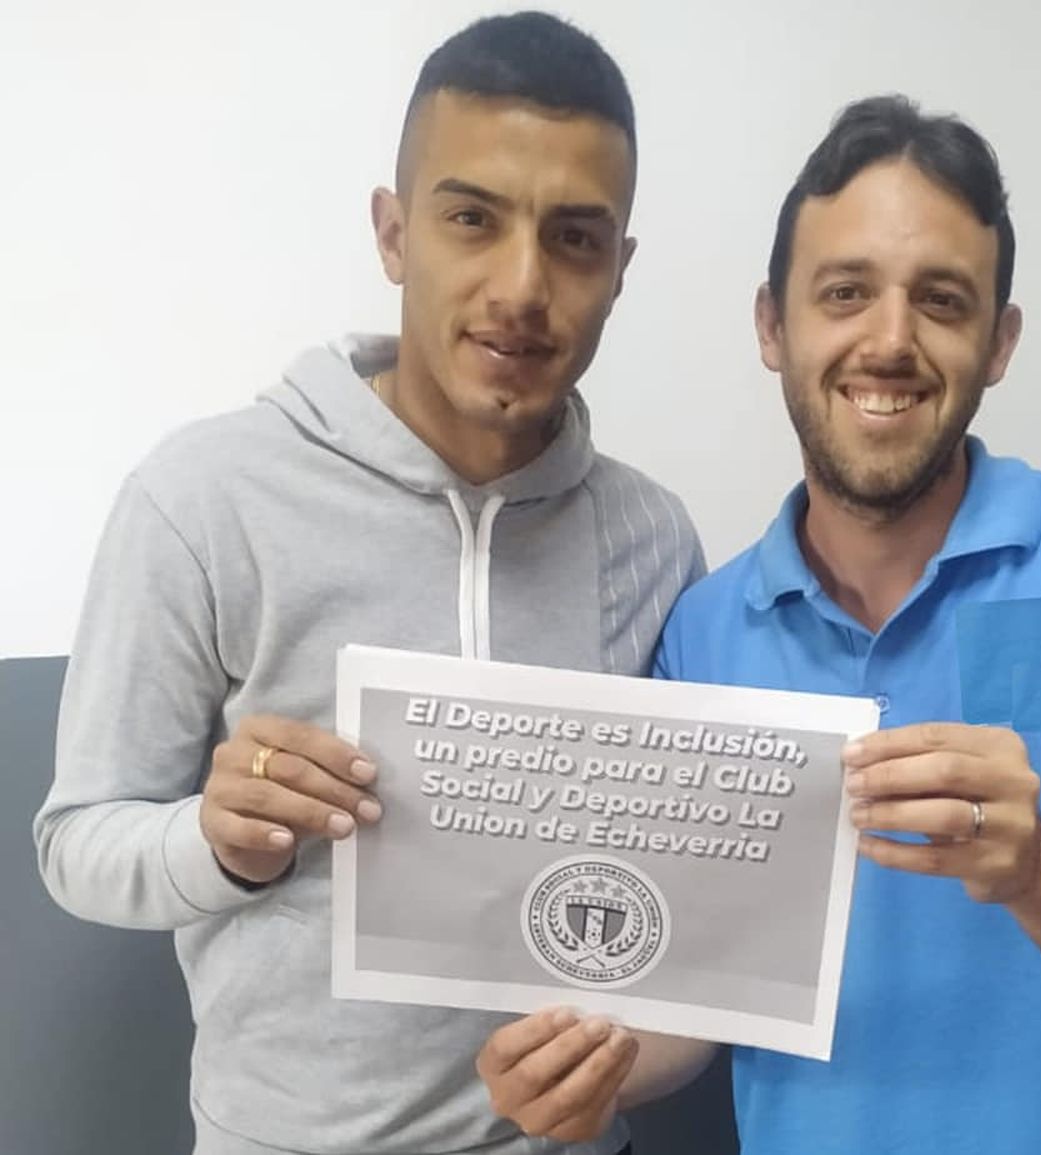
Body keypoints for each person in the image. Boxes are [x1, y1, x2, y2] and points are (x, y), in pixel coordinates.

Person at [475, 94, 1041, 1154]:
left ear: (999, 342)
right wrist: (599, 1071)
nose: (890, 341)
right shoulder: (702, 636)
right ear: (773, 326)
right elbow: (698, 998)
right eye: (846, 292)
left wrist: (1040, 871)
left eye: (941, 300)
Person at [33, 12, 702, 1155]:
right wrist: (217, 844)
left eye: (575, 238)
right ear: (395, 234)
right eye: (472, 219)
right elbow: (76, 842)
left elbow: (686, 908)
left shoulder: (654, 539)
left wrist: (629, 1066)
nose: (522, 285)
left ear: (620, 271)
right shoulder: (205, 497)